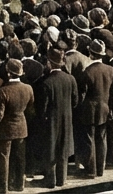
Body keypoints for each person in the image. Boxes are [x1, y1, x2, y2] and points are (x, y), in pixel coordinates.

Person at [0, 57, 33, 193]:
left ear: (8, 73)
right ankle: (19, 184)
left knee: (4, 157)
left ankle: (3, 186)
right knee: (20, 157)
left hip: (5, 129)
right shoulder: (28, 88)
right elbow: (31, 109)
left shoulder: (3, 91)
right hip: (21, 126)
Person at [32, 49, 75, 188]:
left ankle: (50, 180)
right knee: (63, 148)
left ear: (49, 63)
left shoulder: (46, 83)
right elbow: (75, 100)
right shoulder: (70, 79)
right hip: (67, 118)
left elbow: (42, 108)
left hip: (51, 120)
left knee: (50, 149)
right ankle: (62, 178)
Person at [76, 39, 113, 178]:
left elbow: (81, 94)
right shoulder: (110, 70)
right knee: (102, 139)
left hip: (89, 110)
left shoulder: (87, 72)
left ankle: (90, 170)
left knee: (89, 140)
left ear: (90, 53)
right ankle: (100, 169)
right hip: (105, 108)